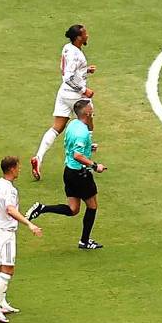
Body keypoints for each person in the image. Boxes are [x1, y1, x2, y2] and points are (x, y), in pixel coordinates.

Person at [37, 98, 106, 249]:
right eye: (91, 108)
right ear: (87, 112)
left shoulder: (73, 124)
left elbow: (78, 142)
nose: (93, 108)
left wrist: (89, 147)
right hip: (80, 174)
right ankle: (85, 241)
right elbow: (77, 155)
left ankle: (42, 208)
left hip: (69, 172)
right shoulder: (81, 132)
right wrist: (95, 166)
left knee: (73, 209)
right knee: (92, 206)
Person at [34, 23, 94, 179]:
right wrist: (84, 90)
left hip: (63, 94)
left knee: (56, 128)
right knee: (88, 118)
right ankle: (86, 153)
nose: (87, 35)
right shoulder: (76, 54)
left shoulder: (67, 48)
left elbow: (66, 69)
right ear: (79, 38)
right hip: (75, 95)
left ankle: (38, 158)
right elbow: (68, 76)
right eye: (85, 34)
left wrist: (85, 70)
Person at [0, 155, 39, 322]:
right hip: (6, 233)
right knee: (8, 269)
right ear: (11, 169)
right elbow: (10, 209)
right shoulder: (10, 189)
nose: (20, 169)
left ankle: (0, 303)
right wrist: (29, 224)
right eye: (18, 166)